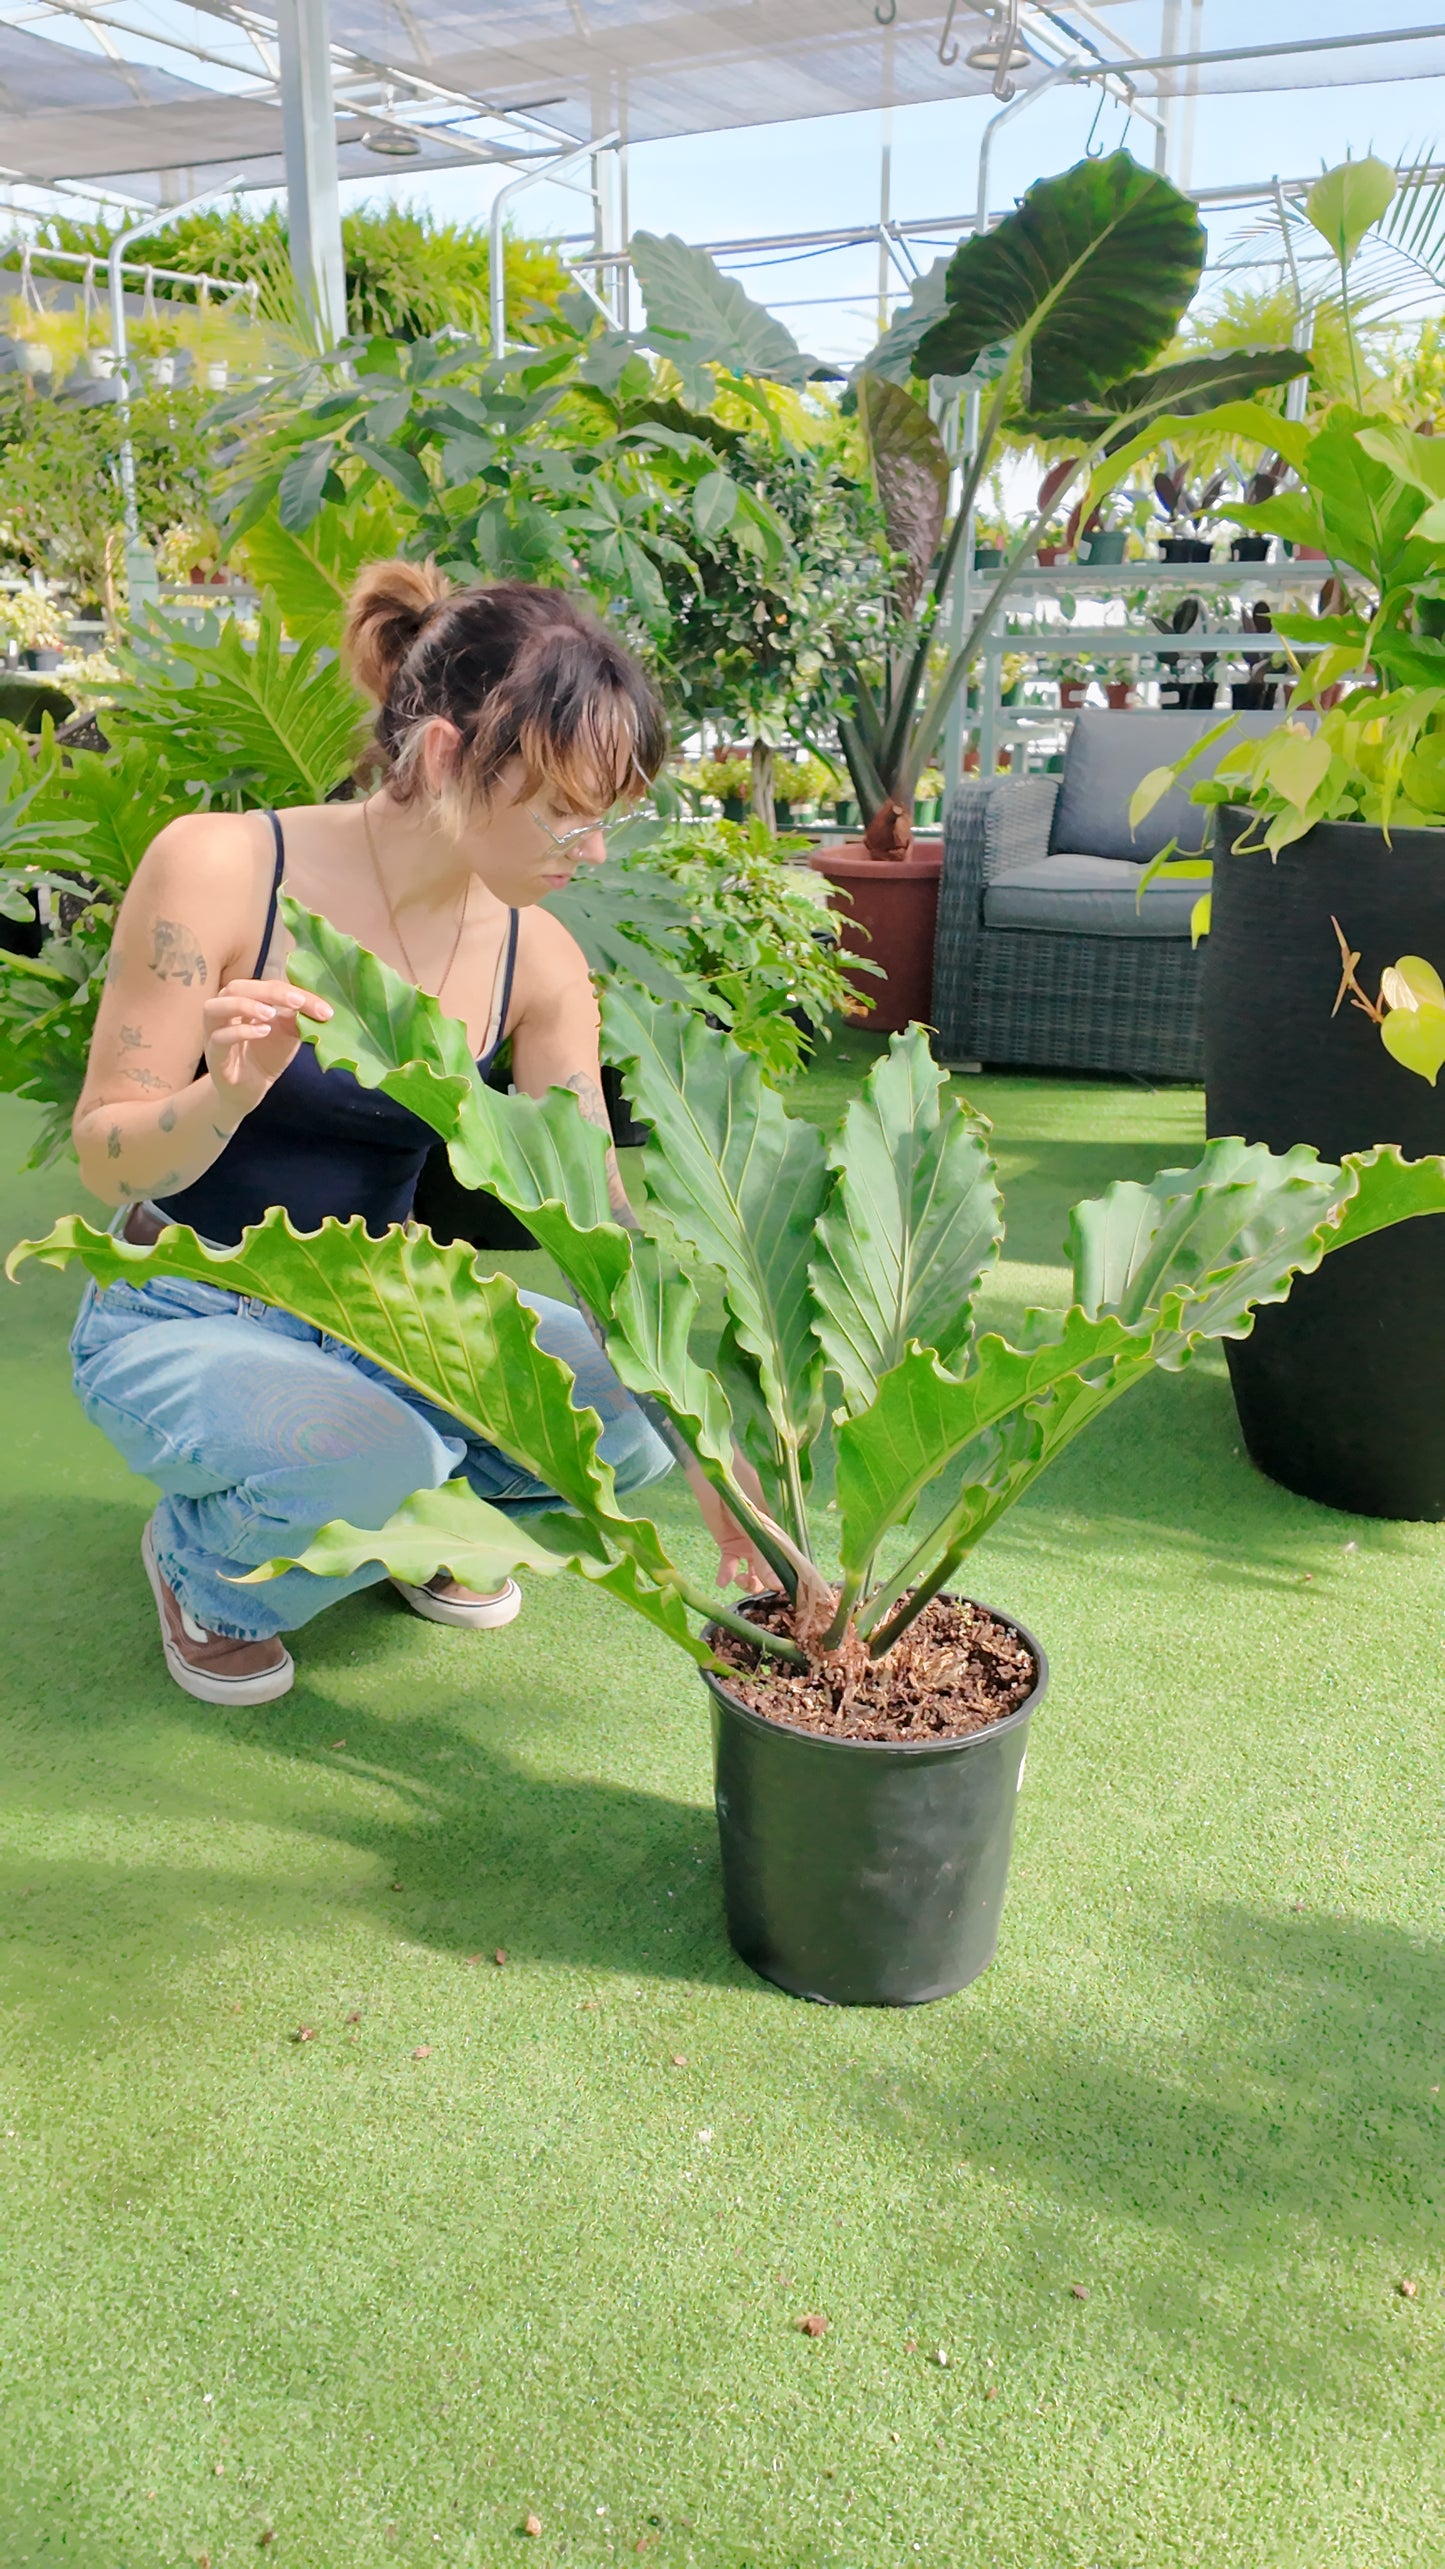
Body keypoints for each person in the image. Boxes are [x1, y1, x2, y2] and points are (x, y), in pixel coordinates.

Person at [69, 564, 767, 1706]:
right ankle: (207, 1575)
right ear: (444, 757)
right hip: (184, 1303)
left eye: (604, 820)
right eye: (563, 813)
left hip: (397, 1322)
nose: (587, 852)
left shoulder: (536, 957)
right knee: (373, 1451)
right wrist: (222, 1098)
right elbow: (105, 1149)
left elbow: (593, 1221)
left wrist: (710, 1452)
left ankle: (423, 1514)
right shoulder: (225, 865)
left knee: (632, 1414)